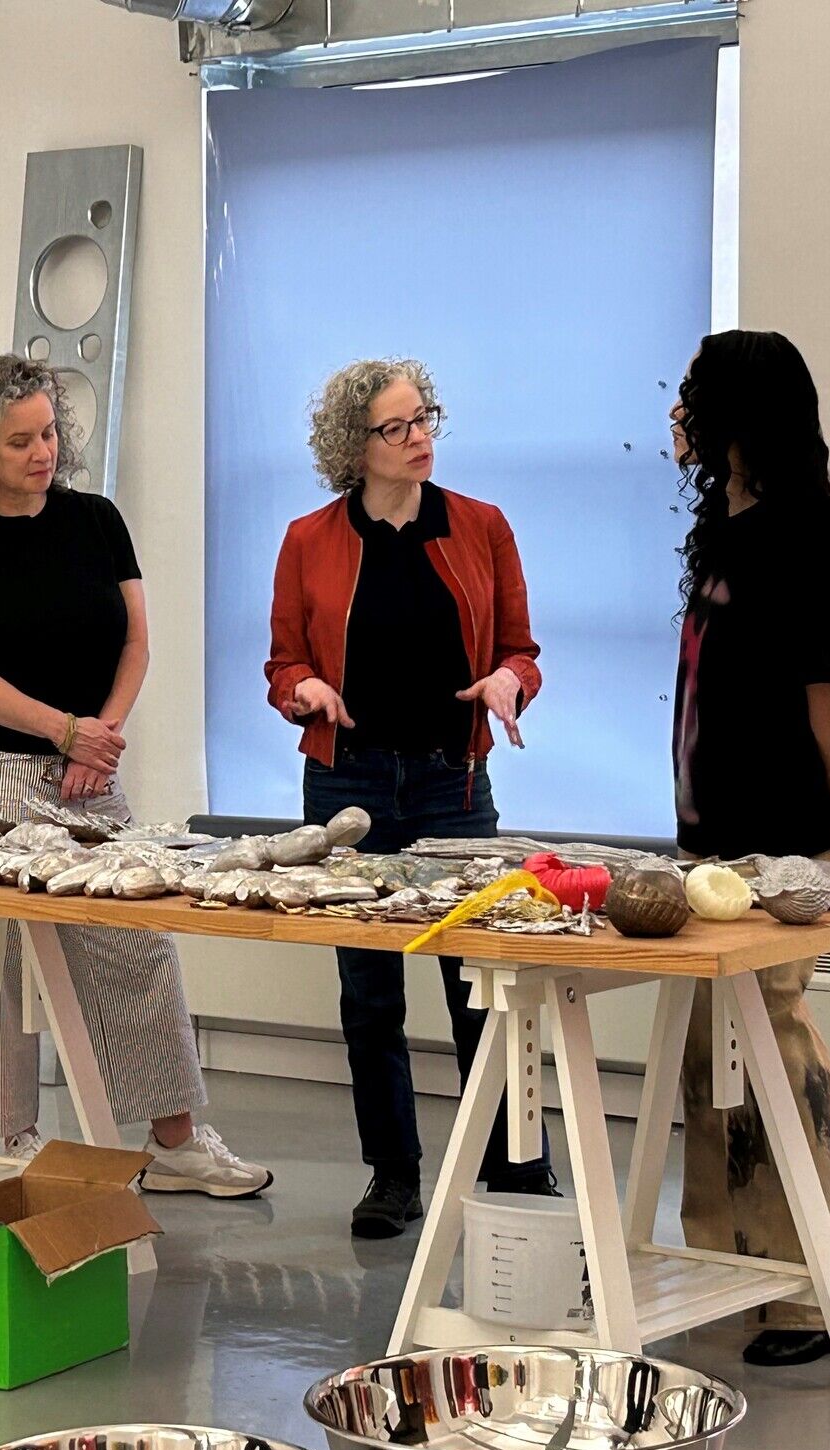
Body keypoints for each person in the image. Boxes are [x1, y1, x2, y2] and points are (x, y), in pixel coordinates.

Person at [0, 354, 270, 1197]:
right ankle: (9, 1138)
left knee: (132, 940)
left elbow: (136, 641)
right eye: (19, 441)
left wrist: (98, 735)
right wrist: (63, 731)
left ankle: (174, 1139)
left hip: (88, 766)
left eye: (49, 433)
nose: (43, 452)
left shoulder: (96, 520)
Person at [266, 358, 555, 1240]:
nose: (420, 436)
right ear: (355, 446)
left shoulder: (482, 527)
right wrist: (306, 691)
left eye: (425, 417)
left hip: (451, 784)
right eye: (397, 427)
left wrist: (508, 682)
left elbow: (523, 651)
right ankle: (393, 1176)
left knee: (482, 984)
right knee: (370, 996)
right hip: (348, 781)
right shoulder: (308, 539)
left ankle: (513, 1165)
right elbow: (284, 666)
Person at [669, 328, 830, 1369]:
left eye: (692, 399)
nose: (676, 417)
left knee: (774, 1058)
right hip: (710, 852)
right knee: (714, 1062)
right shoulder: (726, 534)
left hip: (780, 850)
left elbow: (829, 704)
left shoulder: (797, 539)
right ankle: (733, 1266)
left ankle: (805, 1293)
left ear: (735, 418)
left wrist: (829, 834)